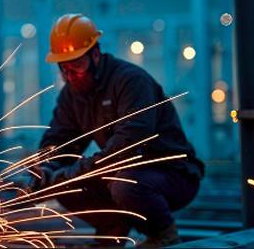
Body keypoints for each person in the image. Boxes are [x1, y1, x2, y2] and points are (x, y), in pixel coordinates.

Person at [17, 14, 204, 248]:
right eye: (65, 68)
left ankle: (164, 235)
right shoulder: (72, 94)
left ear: (95, 55)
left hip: (172, 175)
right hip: (125, 174)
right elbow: (59, 140)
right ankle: (113, 234)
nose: (71, 76)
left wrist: (73, 171)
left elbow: (124, 149)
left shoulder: (131, 82)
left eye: (77, 66)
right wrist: (46, 168)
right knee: (62, 183)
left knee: (124, 184)